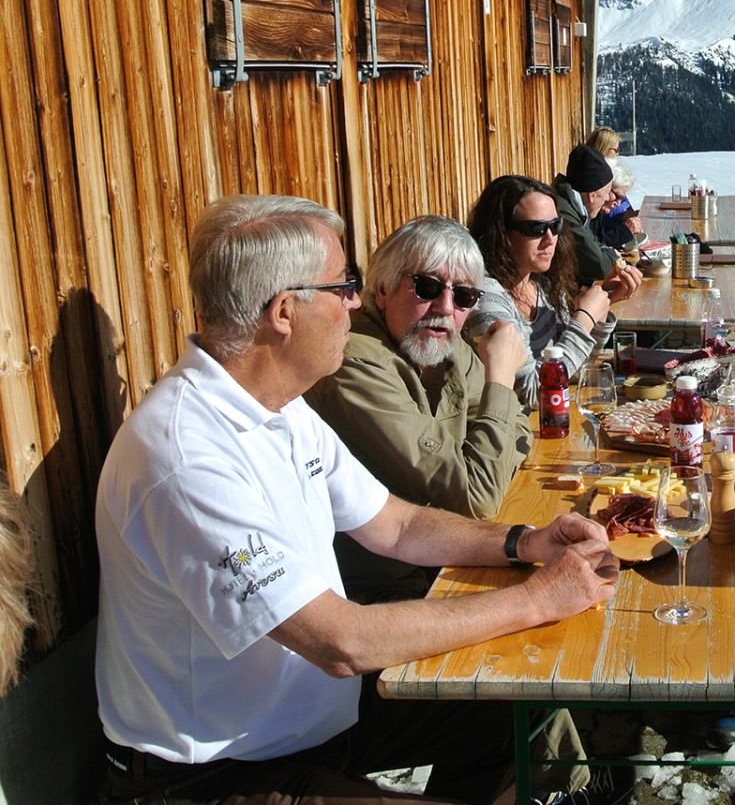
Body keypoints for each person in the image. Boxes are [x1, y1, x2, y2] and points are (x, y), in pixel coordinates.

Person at [94, 194, 627, 805]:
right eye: (343, 286)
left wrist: (523, 542)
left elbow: (395, 525)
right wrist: (537, 598)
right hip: (219, 774)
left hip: (319, 721)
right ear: (284, 312)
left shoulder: (281, 408)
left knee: (515, 709)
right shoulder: (186, 455)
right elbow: (341, 641)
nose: (356, 301)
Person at [304, 215, 532, 605]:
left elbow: (523, 432)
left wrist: (480, 463)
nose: (445, 307)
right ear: (381, 290)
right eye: (427, 287)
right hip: (381, 593)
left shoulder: (444, 343)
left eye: (463, 296)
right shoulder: (354, 363)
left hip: (445, 561)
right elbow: (478, 496)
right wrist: (500, 377)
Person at [467, 176, 641, 410]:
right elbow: (533, 393)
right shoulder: (486, 297)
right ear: (500, 233)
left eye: (555, 226)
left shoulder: (542, 283)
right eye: (536, 228)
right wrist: (584, 319)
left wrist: (602, 305)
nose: (550, 239)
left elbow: (571, 369)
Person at [553, 143, 620, 285]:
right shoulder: (565, 213)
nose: (608, 198)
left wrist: (605, 252)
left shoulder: (575, 206)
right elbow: (600, 266)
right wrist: (613, 256)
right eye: (607, 193)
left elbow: (593, 244)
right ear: (592, 195)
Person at [590, 158, 644, 251]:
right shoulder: (586, 212)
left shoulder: (599, 213)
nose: (618, 204)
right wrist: (624, 231)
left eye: (622, 199)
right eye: (617, 196)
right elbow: (592, 247)